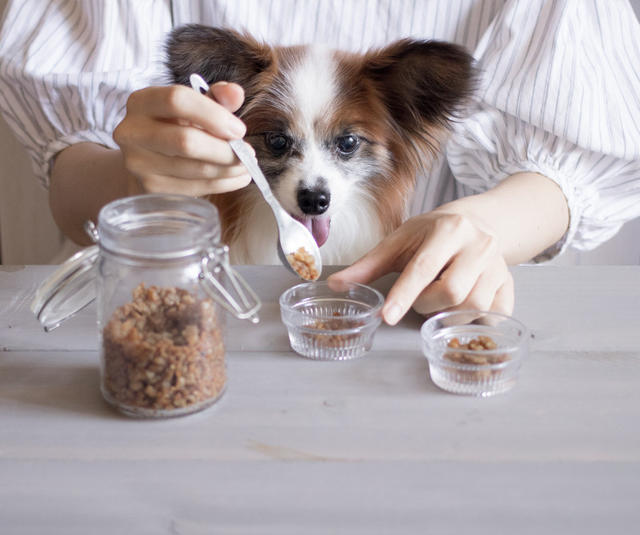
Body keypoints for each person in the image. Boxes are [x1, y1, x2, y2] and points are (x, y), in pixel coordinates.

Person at [1, 0, 639, 325]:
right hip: (190, 306)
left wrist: (485, 226)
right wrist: (137, 176)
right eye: (277, 144)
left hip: (409, 312)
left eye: (346, 145)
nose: (314, 182)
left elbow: (580, 162)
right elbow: (66, 159)